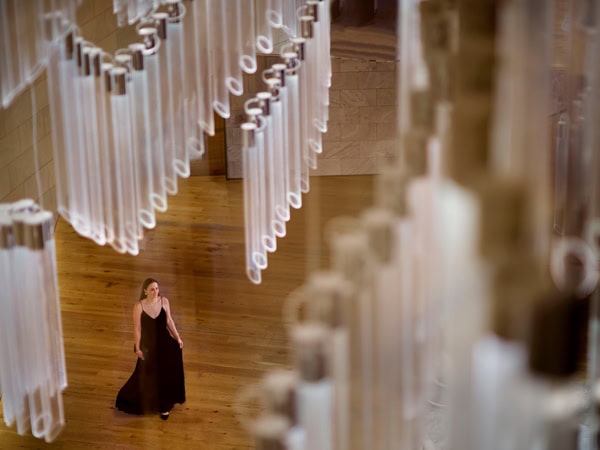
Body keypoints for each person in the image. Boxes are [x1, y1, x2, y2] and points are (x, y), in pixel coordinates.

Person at [115, 278, 185, 420]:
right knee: (146, 375)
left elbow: (169, 321)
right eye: (152, 289)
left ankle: (164, 406)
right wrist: (138, 347)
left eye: (157, 289)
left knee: (166, 374)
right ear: (145, 291)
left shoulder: (164, 301)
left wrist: (177, 337)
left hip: (165, 344)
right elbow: (137, 329)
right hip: (149, 346)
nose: (155, 292)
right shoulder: (139, 306)